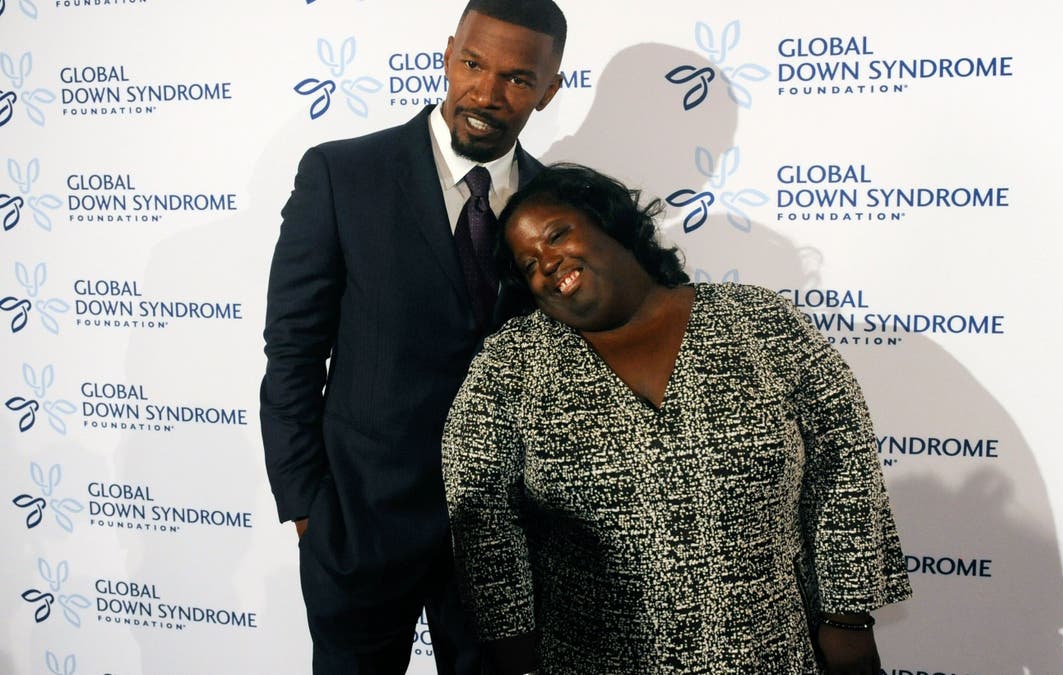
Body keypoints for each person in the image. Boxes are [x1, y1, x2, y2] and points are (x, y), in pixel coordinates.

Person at [442, 164, 912, 675]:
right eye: (528, 264)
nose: (547, 263)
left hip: (768, 652)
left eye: (557, 235)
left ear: (612, 225)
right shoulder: (512, 363)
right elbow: (481, 513)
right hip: (591, 660)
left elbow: (843, 463)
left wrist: (847, 616)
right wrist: (514, 647)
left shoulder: (758, 321)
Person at [259, 2, 567, 673]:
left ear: (550, 89)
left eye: (518, 79)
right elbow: (292, 350)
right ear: (449, 52)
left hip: (505, 540)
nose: (486, 94)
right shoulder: (343, 176)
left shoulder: (560, 206)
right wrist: (309, 507)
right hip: (360, 524)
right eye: (473, 64)